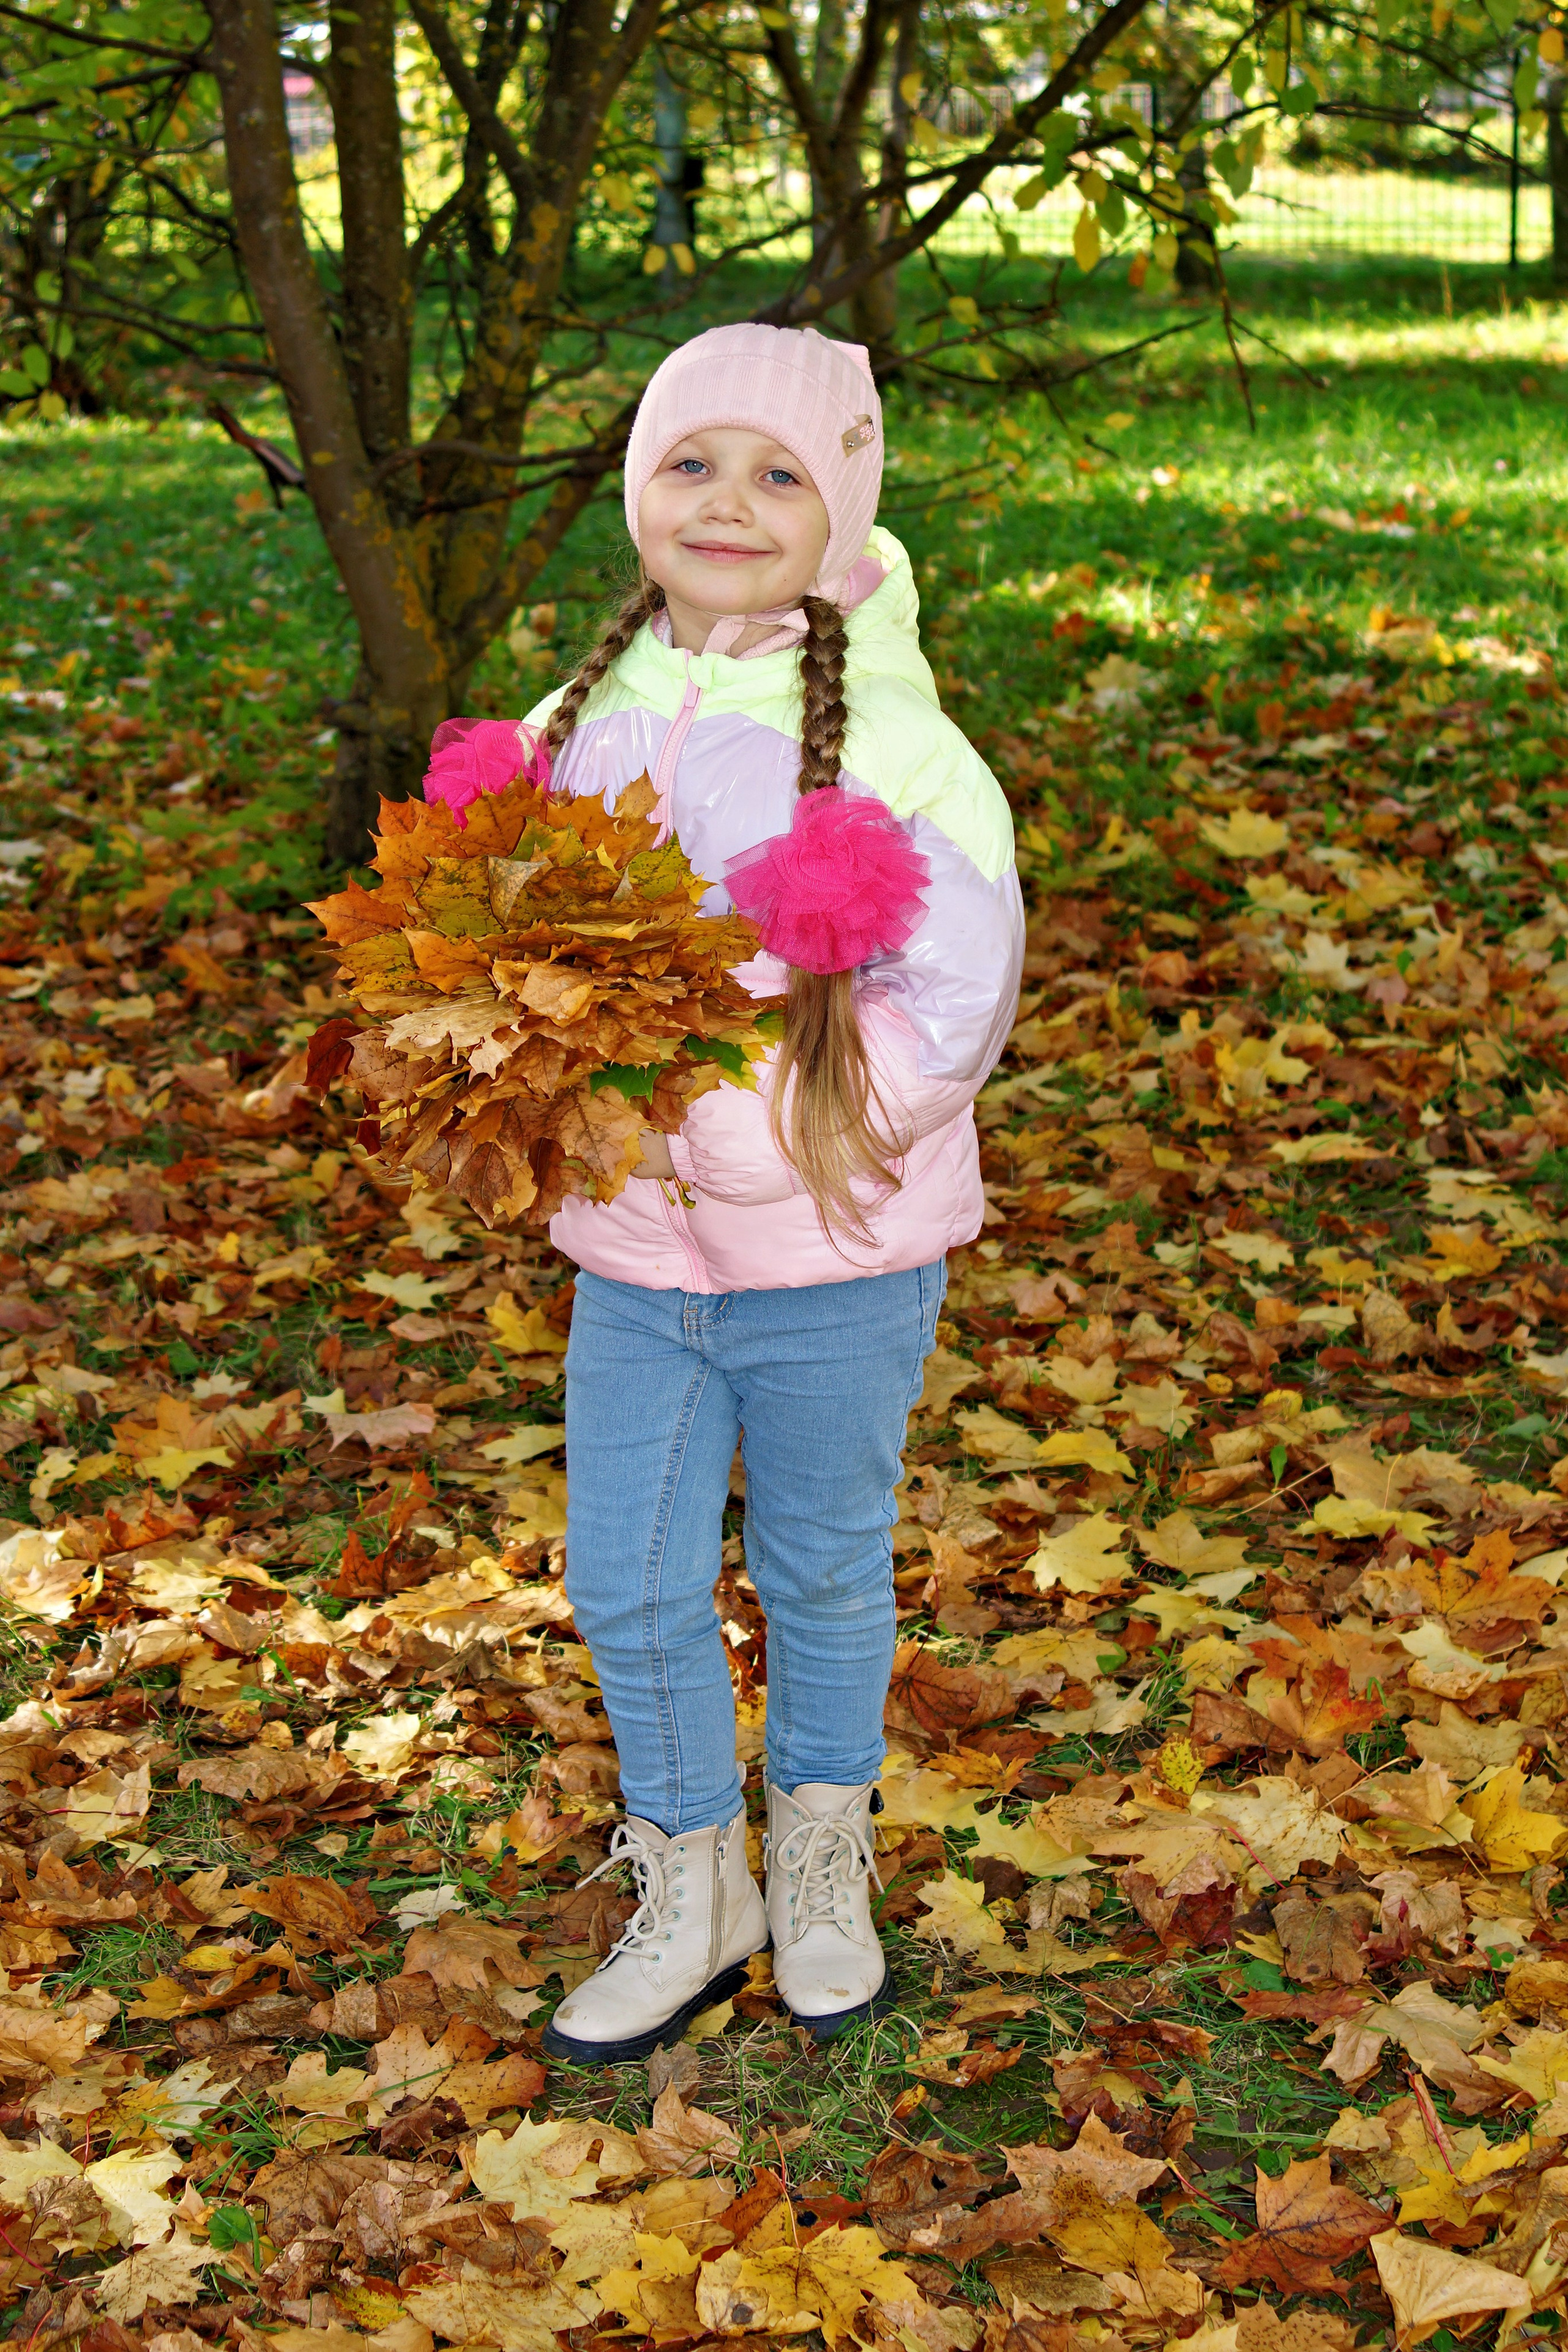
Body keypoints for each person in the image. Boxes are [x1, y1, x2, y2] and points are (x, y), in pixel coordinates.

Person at [444, 324, 1023, 2064]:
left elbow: (954, 1001)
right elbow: (507, 957)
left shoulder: (899, 748)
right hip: (634, 1257)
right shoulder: (574, 727)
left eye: (779, 474)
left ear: (840, 511)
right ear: (639, 486)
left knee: (820, 1567)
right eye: (690, 461)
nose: (727, 502)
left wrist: (778, 1134)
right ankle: (696, 1879)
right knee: (625, 1575)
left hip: (833, 1253)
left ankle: (823, 1851)